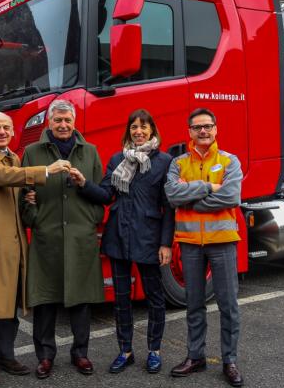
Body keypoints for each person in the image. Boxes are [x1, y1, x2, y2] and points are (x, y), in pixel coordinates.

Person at [0, 112, 71, 387]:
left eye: (7, 128)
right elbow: (3, 177)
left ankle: (5, 356)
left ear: (13, 133)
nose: (2, 132)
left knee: (8, 300)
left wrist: (30, 198)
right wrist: (47, 170)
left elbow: (14, 188)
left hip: (12, 241)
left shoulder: (12, 156)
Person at [68, 109, 175, 374]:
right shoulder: (118, 159)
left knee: (155, 298)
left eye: (143, 127)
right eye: (133, 128)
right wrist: (83, 184)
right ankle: (125, 351)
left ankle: (154, 351)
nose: (138, 132)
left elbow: (168, 207)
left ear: (152, 130)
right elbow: (106, 195)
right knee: (121, 299)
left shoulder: (164, 161)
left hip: (149, 238)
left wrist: (166, 243)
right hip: (118, 236)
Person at [20, 99, 105, 378]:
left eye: (68, 120)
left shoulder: (90, 152)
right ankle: (45, 356)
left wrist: (91, 217)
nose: (63, 125)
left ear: (75, 121)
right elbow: (23, 195)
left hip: (81, 237)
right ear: (49, 122)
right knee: (45, 301)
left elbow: (100, 195)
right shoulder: (32, 153)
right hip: (48, 237)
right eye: (58, 120)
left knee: (81, 301)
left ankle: (80, 353)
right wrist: (33, 215)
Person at [164, 108, 244, 387]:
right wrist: (210, 187)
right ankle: (195, 356)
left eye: (208, 126)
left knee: (228, 305)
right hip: (189, 244)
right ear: (189, 132)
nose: (203, 131)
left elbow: (232, 195)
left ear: (216, 129)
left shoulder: (229, 161)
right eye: (197, 127)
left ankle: (229, 360)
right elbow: (173, 195)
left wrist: (193, 197)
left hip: (221, 241)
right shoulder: (177, 163)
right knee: (193, 304)